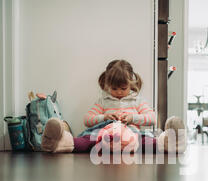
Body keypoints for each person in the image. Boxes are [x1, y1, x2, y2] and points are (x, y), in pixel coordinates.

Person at [41, 59, 186, 154]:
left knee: (147, 143)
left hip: (130, 135)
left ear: (131, 84)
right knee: (85, 141)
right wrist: (104, 117)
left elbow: (153, 118)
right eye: (114, 89)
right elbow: (87, 119)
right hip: (103, 135)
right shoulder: (103, 101)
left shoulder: (137, 101)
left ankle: (172, 142)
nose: (118, 93)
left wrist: (132, 117)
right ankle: (58, 141)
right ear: (107, 85)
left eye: (123, 88)